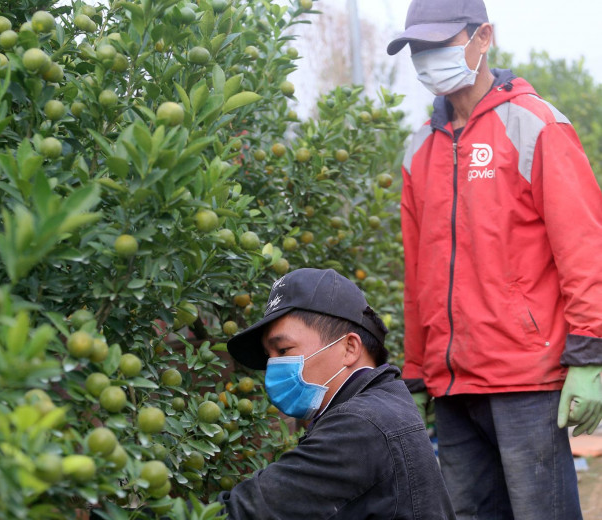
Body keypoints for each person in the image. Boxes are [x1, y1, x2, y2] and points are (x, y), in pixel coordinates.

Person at [386, 0, 602, 518]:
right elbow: (418, 275)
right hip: (453, 385)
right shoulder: (420, 150)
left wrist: (590, 355)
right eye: (419, 47)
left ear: (483, 37)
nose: (427, 57)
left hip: (526, 379)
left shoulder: (536, 125)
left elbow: (585, 248)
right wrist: (416, 372)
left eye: (440, 43)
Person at [220, 268, 455, 519]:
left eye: (283, 350)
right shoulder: (382, 402)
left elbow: (252, 512)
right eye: (269, 357)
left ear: (349, 348)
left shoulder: (361, 425)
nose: (272, 366)